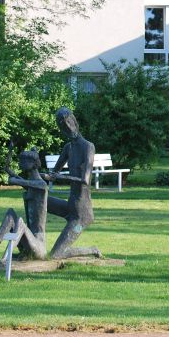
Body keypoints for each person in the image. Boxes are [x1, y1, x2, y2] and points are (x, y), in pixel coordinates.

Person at [0, 149, 48, 262]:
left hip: (38, 246)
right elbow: (9, 171)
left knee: (20, 222)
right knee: (10, 214)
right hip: (28, 243)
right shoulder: (32, 184)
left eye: (23, 161)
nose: (20, 163)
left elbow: (21, 182)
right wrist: (10, 153)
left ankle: (5, 258)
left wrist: (16, 181)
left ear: (33, 163)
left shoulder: (41, 185)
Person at [45, 107, 101, 260]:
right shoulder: (68, 148)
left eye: (69, 122)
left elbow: (85, 180)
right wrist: (36, 176)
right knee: (40, 201)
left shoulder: (88, 147)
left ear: (75, 122)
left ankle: (92, 249)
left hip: (81, 214)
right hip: (71, 206)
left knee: (56, 254)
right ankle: (31, 244)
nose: (68, 128)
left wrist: (61, 177)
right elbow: (52, 175)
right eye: (63, 126)